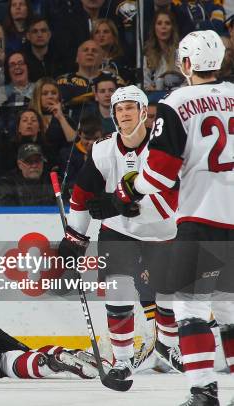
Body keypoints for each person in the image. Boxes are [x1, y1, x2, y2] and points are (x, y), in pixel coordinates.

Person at [112, 30, 233, 405]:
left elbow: (161, 173)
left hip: (202, 217)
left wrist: (130, 188)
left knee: (189, 305)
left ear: (185, 64)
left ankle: (203, 392)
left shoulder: (177, 102)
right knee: (229, 309)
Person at [58, 85, 183, 383]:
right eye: (119, 109)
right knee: (119, 291)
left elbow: (169, 201)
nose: (124, 113)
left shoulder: (161, 148)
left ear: (144, 112)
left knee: (168, 296)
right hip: (118, 233)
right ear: (113, 115)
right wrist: (75, 236)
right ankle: (123, 361)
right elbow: (82, 195)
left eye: (130, 107)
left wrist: (119, 205)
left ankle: (167, 345)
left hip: (162, 231)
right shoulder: (101, 149)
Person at [143, 10, 180, 91]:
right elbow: (145, 84)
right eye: (159, 23)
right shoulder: (148, 56)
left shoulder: (180, 53)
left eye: (167, 23)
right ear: (154, 28)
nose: (163, 27)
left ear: (172, 28)